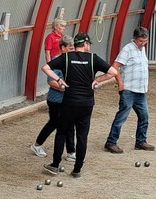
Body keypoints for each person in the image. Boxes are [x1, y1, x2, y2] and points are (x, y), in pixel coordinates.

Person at [41, 32, 119, 178]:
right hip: (86, 103)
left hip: (69, 102)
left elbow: (45, 67)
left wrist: (59, 80)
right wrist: (97, 80)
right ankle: (77, 169)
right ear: (86, 44)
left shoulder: (66, 57)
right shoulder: (93, 58)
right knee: (82, 136)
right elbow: (113, 72)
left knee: (62, 133)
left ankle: (55, 165)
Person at [104, 27, 154, 154]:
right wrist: (120, 82)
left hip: (140, 91)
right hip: (129, 90)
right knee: (122, 116)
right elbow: (115, 67)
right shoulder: (127, 49)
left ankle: (141, 141)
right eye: (141, 41)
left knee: (144, 116)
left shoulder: (142, 50)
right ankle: (111, 142)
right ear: (135, 39)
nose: (143, 44)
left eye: (145, 41)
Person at [31, 35, 76, 161]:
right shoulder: (56, 61)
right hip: (56, 100)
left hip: (67, 100)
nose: (73, 51)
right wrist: (65, 88)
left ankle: (71, 152)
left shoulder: (71, 61)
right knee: (54, 123)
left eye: (73, 48)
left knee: (70, 124)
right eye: (70, 48)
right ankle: (37, 145)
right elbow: (51, 81)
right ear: (63, 48)